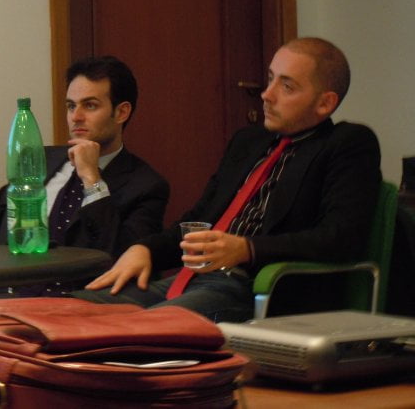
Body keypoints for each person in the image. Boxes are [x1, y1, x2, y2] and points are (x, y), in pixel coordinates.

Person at [74, 37, 382, 322]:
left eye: (287, 86)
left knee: (141, 326)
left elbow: (339, 237)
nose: (267, 94)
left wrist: (248, 249)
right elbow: (199, 219)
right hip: (194, 278)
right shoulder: (248, 142)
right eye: (271, 78)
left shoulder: (347, 144)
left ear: (324, 103)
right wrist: (146, 250)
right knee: (74, 311)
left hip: (256, 288)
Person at [0, 55, 170, 300]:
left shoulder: (146, 186)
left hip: (78, 303)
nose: (76, 117)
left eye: (90, 106)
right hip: (5, 294)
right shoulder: (41, 159)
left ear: (121, 112)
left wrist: (92, 180)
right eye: (71, 106)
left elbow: (120, 258)